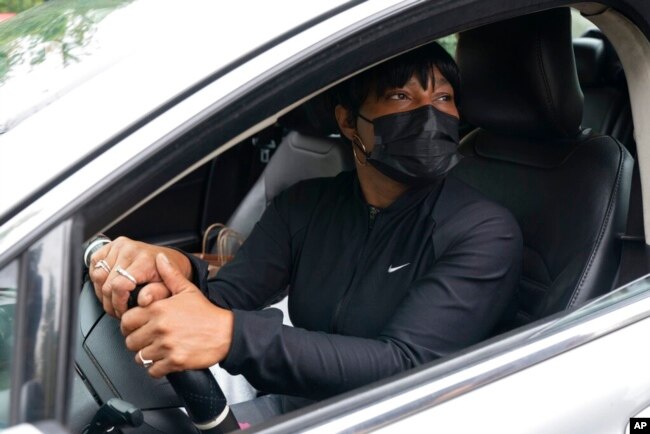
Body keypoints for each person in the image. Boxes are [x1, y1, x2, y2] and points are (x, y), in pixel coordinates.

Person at [89, 42, 522, 420]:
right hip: (301, 406)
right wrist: (167, 264)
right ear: (350, 122)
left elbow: (407, 367)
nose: (430, 113)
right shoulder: (307, 204)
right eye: (400, 95)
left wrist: (233, 336)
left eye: (444, 97)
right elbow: (227, 300)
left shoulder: (483, 231)